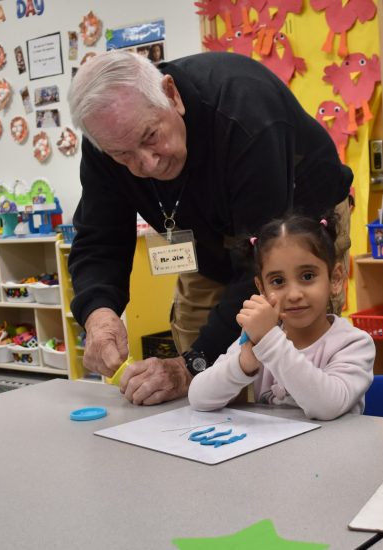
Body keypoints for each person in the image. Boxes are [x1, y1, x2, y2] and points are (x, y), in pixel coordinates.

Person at [67, 50, 353, 406]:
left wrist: (191, 367)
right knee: (199, 358)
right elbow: (100, 237)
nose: (145, 164)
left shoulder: (243, 110)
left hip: (293, 227)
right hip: (205, 237)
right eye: (122, 155)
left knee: (291, 350)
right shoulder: (108, 140)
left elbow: (260, 260)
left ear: (171, 95)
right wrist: (98, 313)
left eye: (151, 136)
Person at [188, 213, 374, 420]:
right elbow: (198, 398)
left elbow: (328, 406)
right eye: (278, 281)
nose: (294, 294)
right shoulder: (261, 338)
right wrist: (243, 364)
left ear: (336, 279)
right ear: (262, 288)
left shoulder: (353, 343)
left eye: (307, 276)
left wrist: (269, 341)